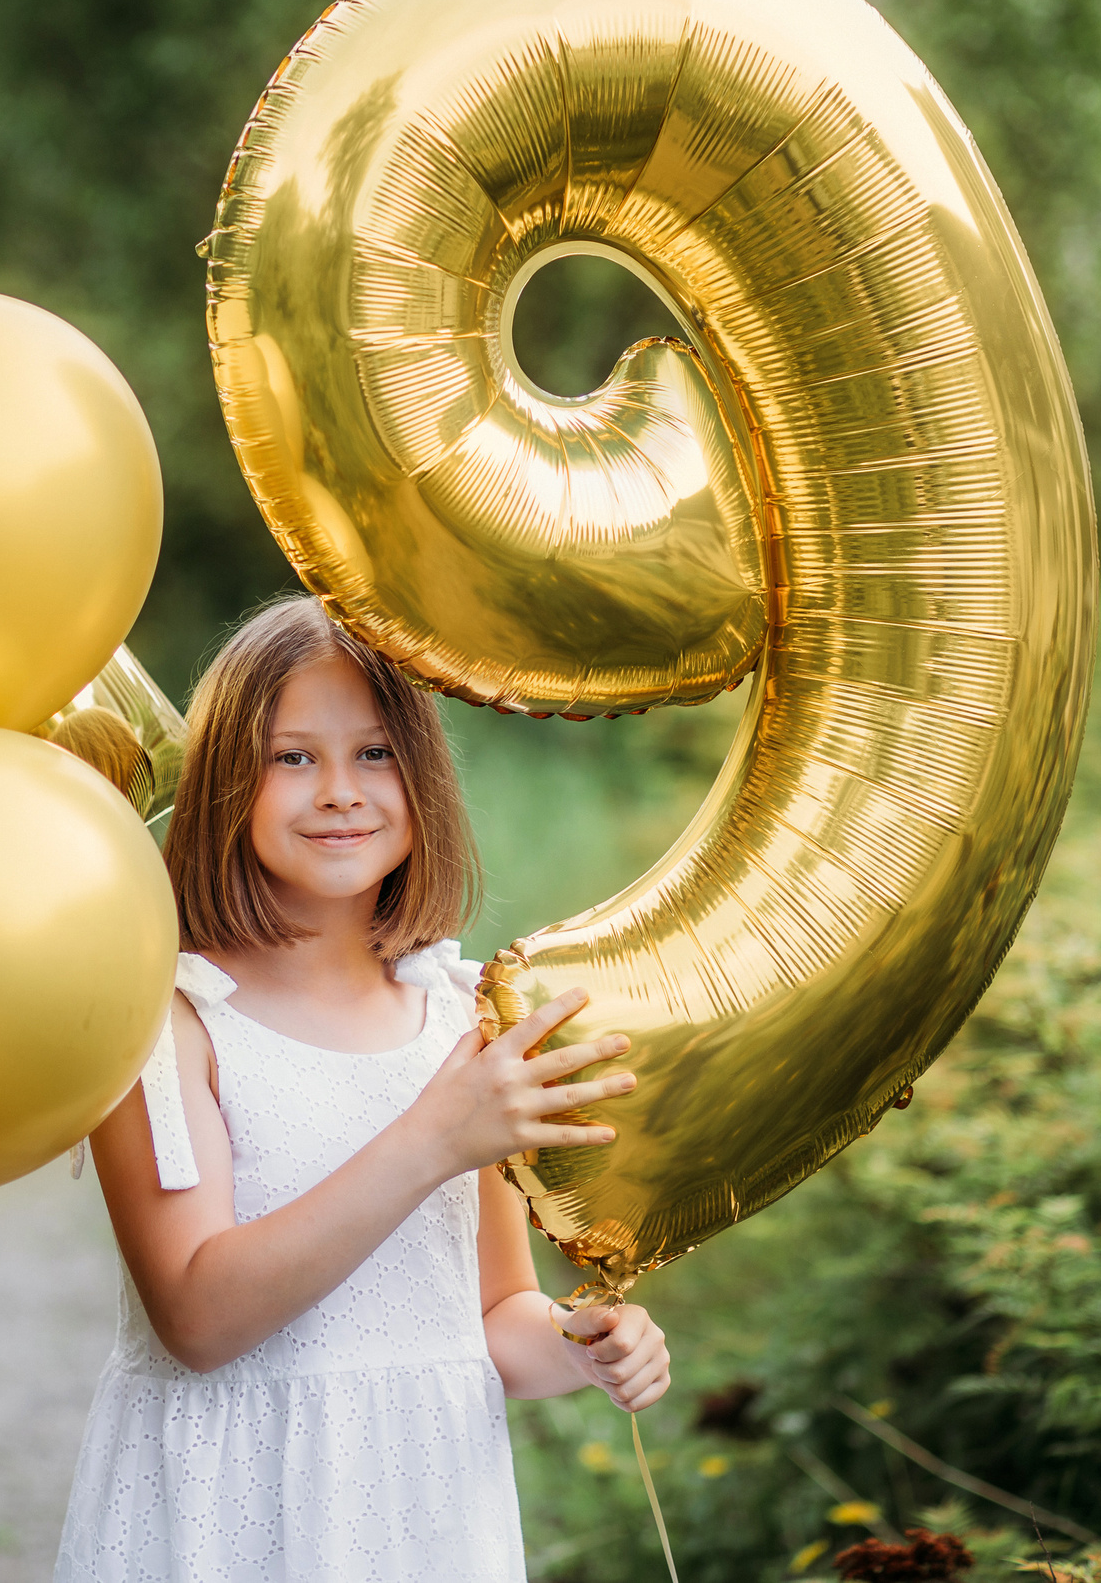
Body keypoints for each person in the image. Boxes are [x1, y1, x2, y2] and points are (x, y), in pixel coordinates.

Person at [55, 596, 671, 1583]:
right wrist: (434, 1139)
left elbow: (495, 1312)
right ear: (225, 784)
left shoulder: (458, 1015)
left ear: (420, 777)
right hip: (231, 1516)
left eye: (374, 754)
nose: (340, 791)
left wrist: (579, 1346)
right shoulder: (173, 1022)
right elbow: (198, 1319)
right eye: (292, 758)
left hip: (424, 1515)